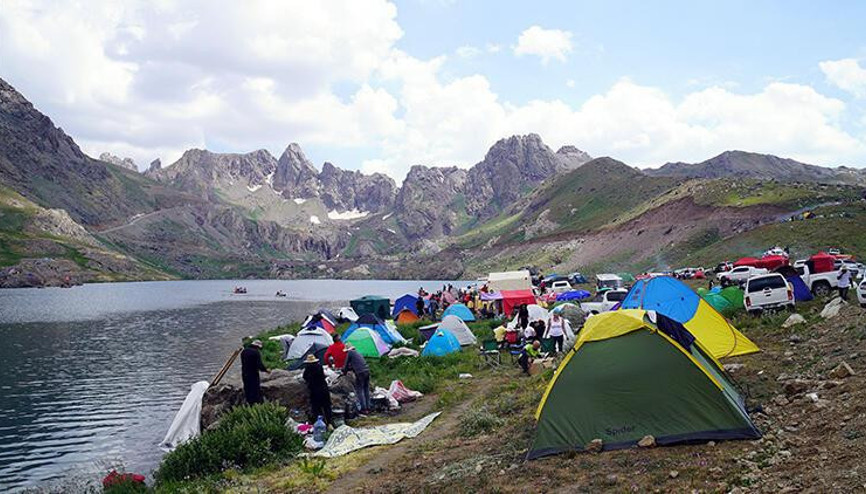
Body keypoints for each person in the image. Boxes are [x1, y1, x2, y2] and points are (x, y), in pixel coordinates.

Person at [302, 354, 333, 426]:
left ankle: (319, 423)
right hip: (324, 389)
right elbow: (323, 376)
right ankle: (329, 423)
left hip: (314, 391)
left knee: (317, 408)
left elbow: (304, 377)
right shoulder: (319, 367)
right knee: (327, 407)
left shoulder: (308, 368)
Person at [342, 345, 372, 414]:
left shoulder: (350, 353)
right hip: (366, 371)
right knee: (366, 389)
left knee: (359, 390)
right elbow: (355, 365)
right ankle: (368, 407)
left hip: (360, 373)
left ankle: (363, 409)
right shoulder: (357, 353)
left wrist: (344, 372)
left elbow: (346, 364)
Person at [240, 340, 269, 404]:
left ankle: (248, 402)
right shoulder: (255, 352)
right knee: (254, 389)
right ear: (257, 347)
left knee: (247, 388)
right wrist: (266, 370)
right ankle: (255, 404)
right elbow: (259, 364)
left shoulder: (244, 351)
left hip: (244, 373)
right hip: (253, 373)